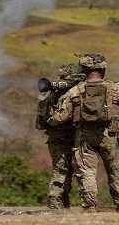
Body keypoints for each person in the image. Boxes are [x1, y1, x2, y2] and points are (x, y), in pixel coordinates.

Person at [48, 53, 119, 210]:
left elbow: (61, 117)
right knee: (115, 170)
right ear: (103, 69)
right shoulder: (118, 90)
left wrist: (50, 120)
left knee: (87, 172)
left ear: (83, 69)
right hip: (112, 134)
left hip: (84, 136)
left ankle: (90, 206)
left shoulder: (74, 91)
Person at [35, 64, 79, 209]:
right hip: (64, 135)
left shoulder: (52, 91)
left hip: (57, 136)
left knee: (65, 170)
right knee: (61, 170)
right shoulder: (67, 92)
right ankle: (55, 202)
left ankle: (63, 202)